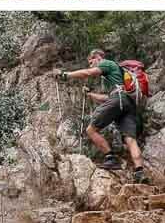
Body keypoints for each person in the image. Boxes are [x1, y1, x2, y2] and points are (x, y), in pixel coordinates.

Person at [56, 49, 149, 184]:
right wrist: (90, 95)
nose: (91, 65)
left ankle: (111, 158)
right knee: (130, 139)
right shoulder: (116, 76)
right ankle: (139, 172)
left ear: (98, 57)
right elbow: (108, 98)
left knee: (91, 130)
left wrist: (65, 75)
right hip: (128, 104)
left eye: (91, 62)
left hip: (118, 100)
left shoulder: (106, 63)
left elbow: (88, 73)